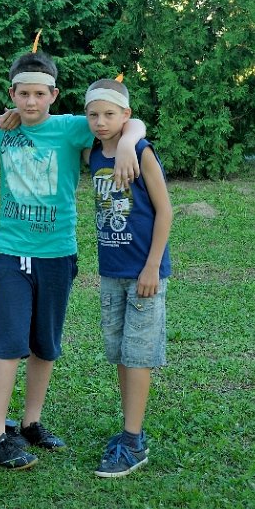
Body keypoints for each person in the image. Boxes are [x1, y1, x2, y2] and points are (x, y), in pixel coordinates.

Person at [0, 51, 145, 470]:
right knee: (8, 343)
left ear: (54, 94)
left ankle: (31, 422)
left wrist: (129, 141)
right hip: (11, 253)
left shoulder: (73, 127)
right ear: (12, 94)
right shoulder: (0, 132)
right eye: (23, 94)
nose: (31, 101)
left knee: (45, 344)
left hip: (58, 253)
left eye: (40, 94)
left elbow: (127, 121)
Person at [84, 78, 172, 478]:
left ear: (126, 115)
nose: (101, 122)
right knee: (120, 353)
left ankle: (133, 441)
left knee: (137, 355)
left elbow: (165, 211)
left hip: (143, 274)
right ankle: (129, 429)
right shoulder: (93, 152)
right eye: (94, 115)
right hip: (112, 272)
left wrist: (152, 266)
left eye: (109, 114)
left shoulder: (140, 150)